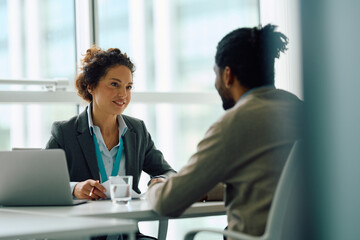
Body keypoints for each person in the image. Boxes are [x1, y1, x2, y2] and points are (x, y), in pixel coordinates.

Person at [146, 24, 304, 238]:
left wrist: (156, 187)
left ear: (227, 75)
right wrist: (203, 189)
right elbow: (270, 182)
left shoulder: (235, 122)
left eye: (216, 74)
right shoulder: (301, 111)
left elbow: (167, 203)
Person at [46, 46, 176, 240]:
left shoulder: (137, 130)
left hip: (127, 235)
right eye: (114, 84)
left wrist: (160, 181)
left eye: (128, 87)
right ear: (91, 86)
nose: (123, 94)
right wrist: (75, 188)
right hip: (82, 235)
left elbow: (168, 172)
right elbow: (44, 185)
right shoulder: (65, 132)